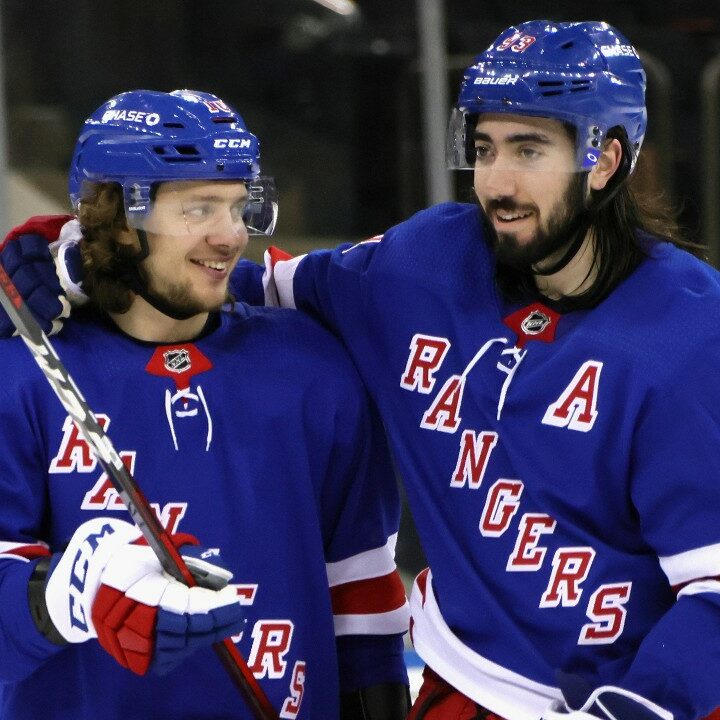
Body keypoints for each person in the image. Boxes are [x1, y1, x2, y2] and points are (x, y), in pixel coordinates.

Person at [4, 19, 720, 720]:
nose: (495, 182)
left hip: (654, 690)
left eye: (528, 151)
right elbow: (241, 285)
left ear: (605, 159)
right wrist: (72, 252)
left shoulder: (688, 331)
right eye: (483, 147)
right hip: (471, 683)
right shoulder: (427, 260)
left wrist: (636, 708)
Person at [0, 89, 412, 720]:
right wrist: (65, 593)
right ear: (116, 217)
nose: (230, 236)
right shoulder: (24, 374)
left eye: (238, 206)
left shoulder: (312, 368)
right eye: (198, 208)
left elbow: (359, 587)